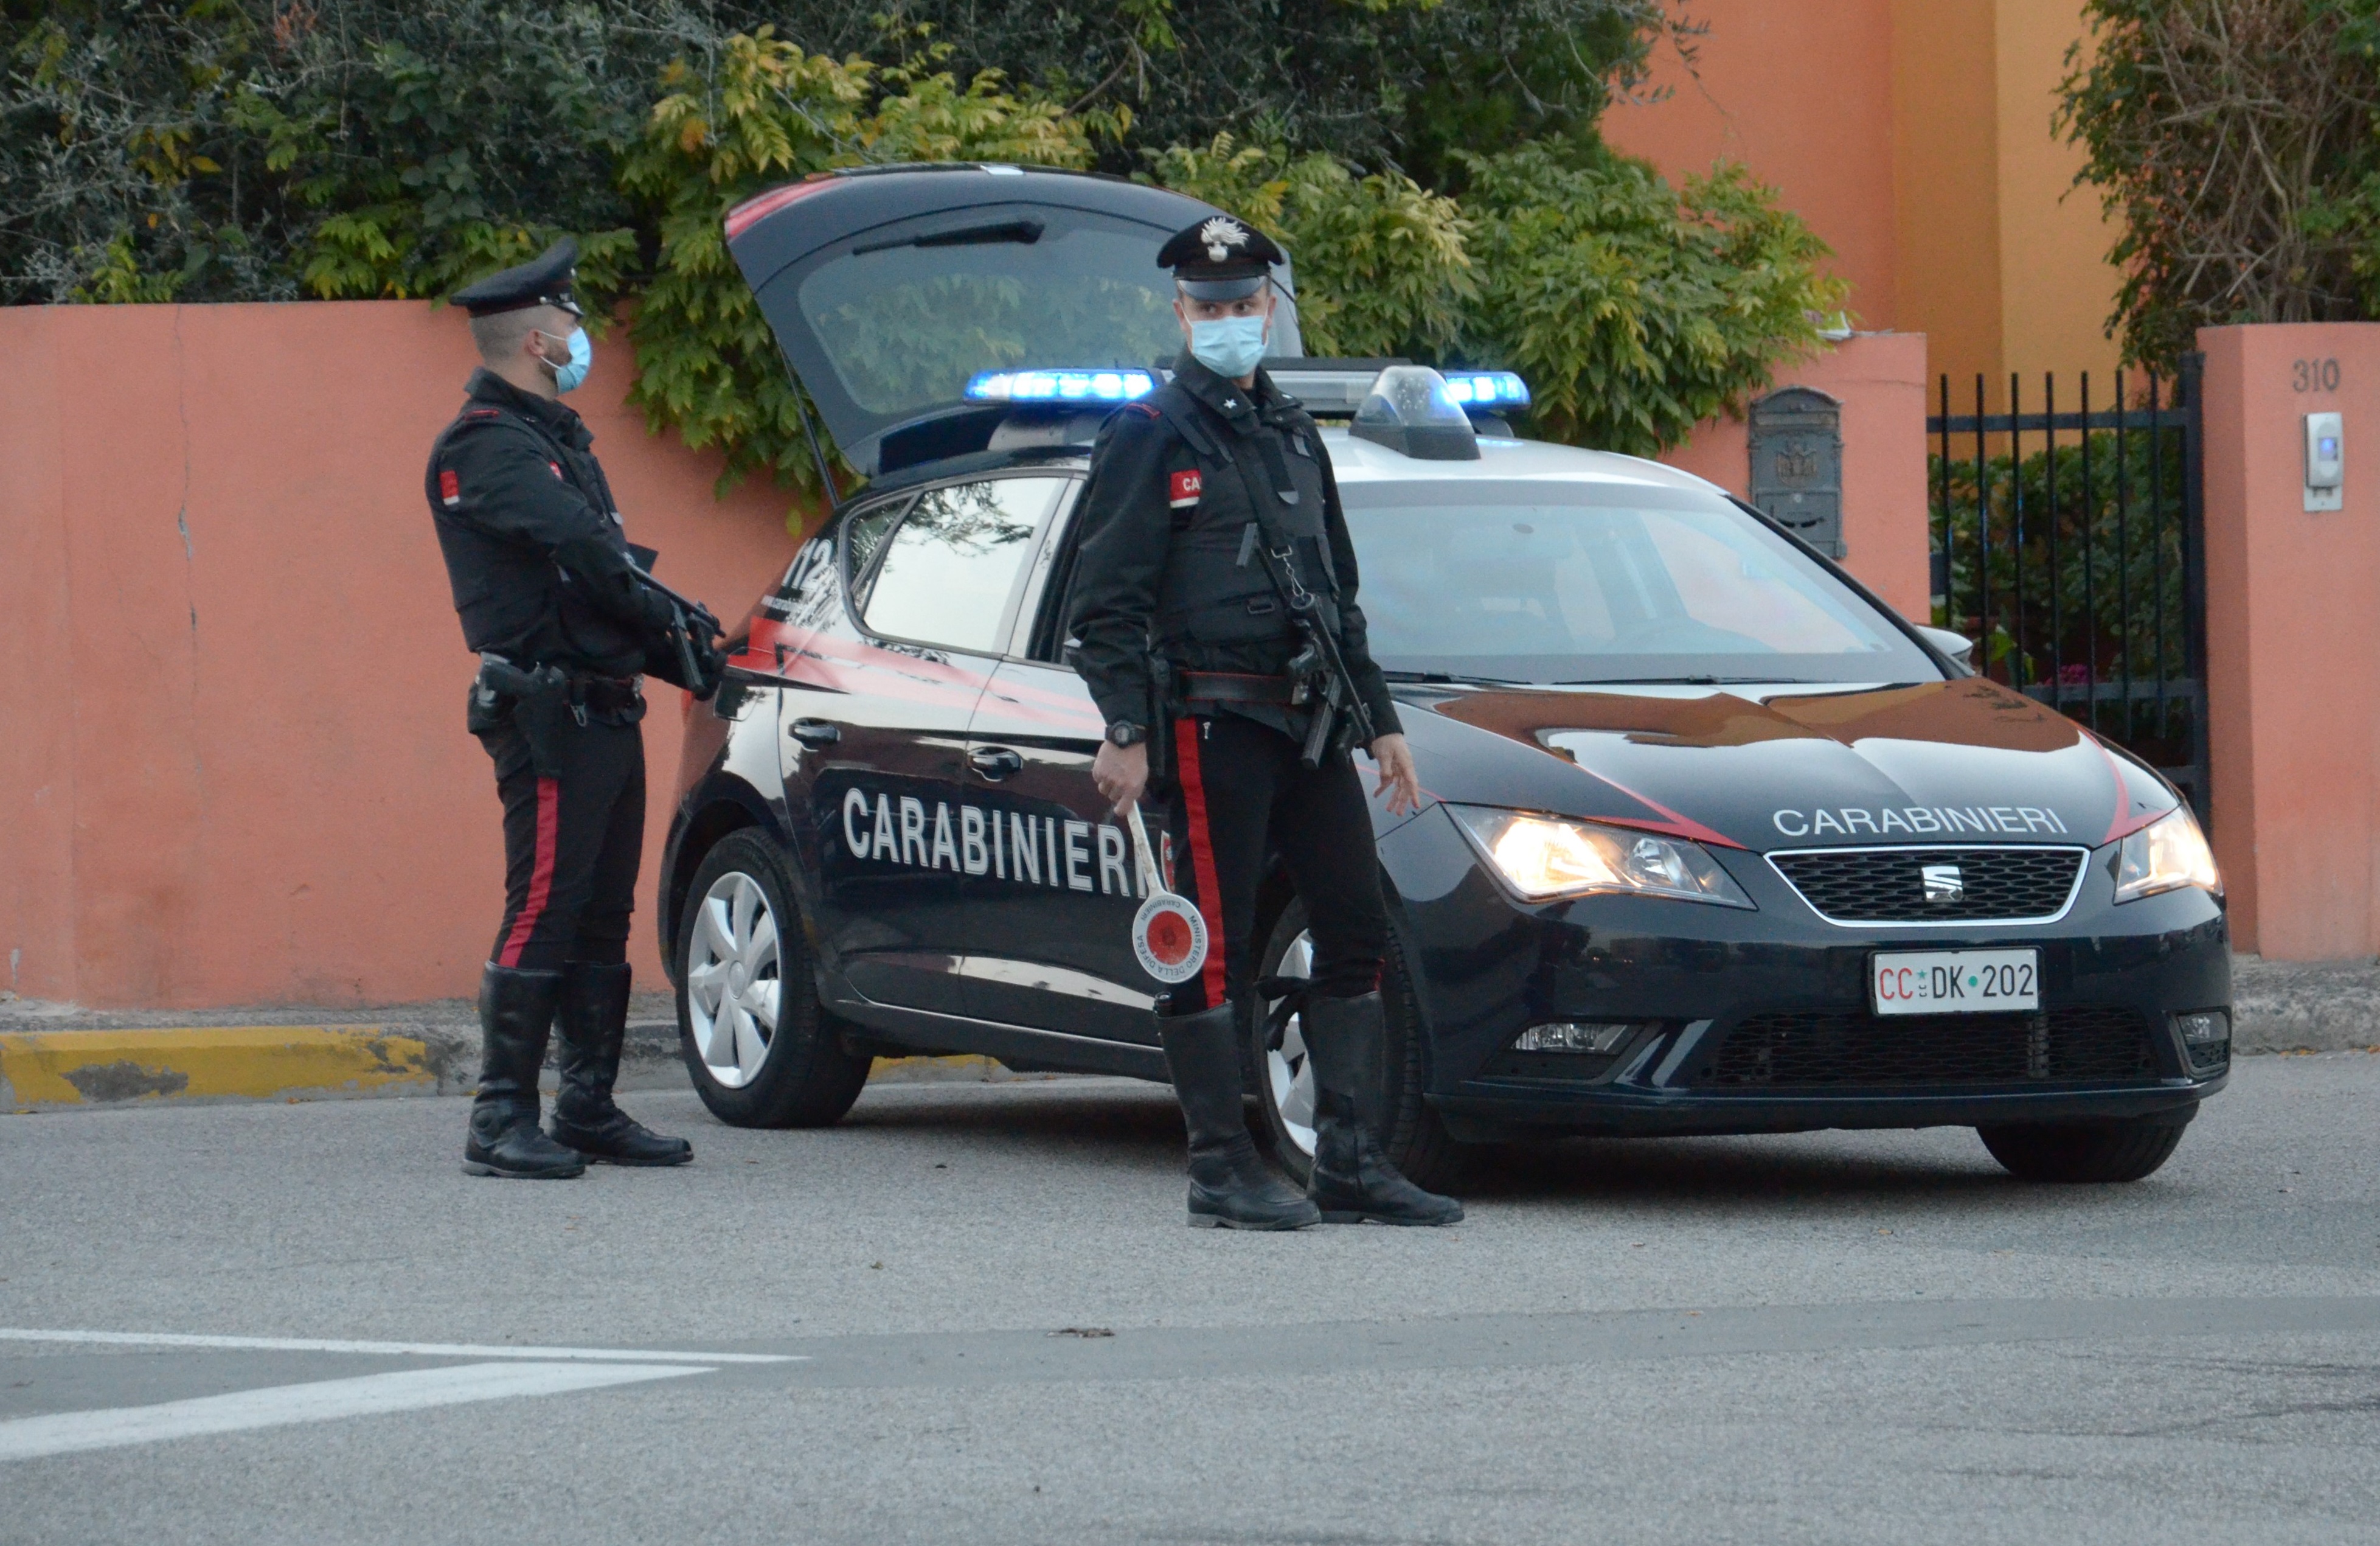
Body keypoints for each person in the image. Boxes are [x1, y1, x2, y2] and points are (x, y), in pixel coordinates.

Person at [1066, 214, 1465, 1230]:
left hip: (1310, 726)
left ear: (1268, 310)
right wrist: (1124, 728)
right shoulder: (1149, 436)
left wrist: (1380, 721)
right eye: (1209, 307)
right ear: (1181, 314)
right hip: (1209, 726)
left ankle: (1349, 1158)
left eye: (1244, 304)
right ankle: (1219, 1168)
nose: (1228, 320)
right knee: (1213, 948)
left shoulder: (1292, 436)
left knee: (1352, 928)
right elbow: (1102, 604)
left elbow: (1337, 595)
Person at [426, 238, 723, 1179]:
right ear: (538, 339)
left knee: (601, 910)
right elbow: (592, 560)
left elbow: (603, 565)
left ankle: (586, 1104)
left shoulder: (551, 440)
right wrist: (674, 622)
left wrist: (674, 641)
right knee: (545, 905)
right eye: (571, 321)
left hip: (603, 703)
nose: (581, 334)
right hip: (548, 709)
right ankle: (499, 1115)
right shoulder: (486, 446)